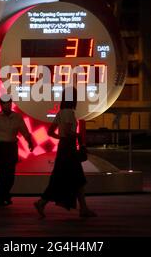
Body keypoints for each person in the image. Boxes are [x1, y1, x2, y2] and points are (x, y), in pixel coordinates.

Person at [34, 87, 97, 218]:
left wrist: (61, 138)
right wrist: (78, 136)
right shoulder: (69, 112)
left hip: (63, 148)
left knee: (63, 178)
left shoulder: (61, 112)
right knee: (76, 179)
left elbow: (50, 131)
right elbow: (68, 131)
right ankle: (83, 209)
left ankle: (43, 202)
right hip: (69, 149)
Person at [0, 95, 34, 206]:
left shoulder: (17, 118)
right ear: (1, 104)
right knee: (3, 174)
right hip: (0, 148)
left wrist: (30, 142)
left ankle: (4, 195)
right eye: (4, 103)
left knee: (10, 174)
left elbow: (25, 131)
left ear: (11, 103)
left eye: (8, 103)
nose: (6, 105)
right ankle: (2, 197)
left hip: (11, 147)